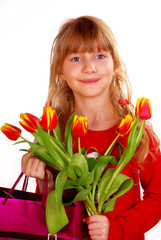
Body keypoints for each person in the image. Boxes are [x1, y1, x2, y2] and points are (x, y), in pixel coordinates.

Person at [21, 16, 161, 240]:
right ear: (61, 71)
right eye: (76, 58)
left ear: (114, 64)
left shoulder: (136, 133)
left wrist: (115, 228)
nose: (89, 67)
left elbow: (158, 198)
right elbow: (52, 210)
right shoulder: (53, 132)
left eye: (100, 56)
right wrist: (42, 179)